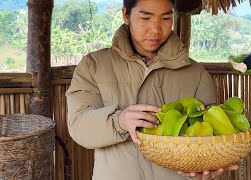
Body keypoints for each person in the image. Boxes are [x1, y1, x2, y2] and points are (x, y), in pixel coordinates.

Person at [66, 0, 238, 180]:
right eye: (145, 17)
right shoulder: (94, 65)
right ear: (126, 15)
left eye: (165, 18)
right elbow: (79, 125)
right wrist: (120, 121)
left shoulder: (196, 73)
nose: (155, 29)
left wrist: (206, 167)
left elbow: (210, 137)